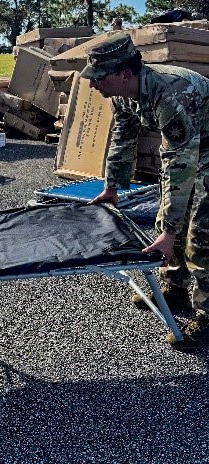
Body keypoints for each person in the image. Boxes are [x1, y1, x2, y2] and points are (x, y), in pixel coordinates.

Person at [82, 33, 209, 351]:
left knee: (202, 234)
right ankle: (174, 288)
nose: (92, 85)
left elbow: (180, 166)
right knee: (167, 217)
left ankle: (208, 318)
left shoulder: (171, 92)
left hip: (203, 149)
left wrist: (169, 230)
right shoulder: (122, 93)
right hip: (190, 148)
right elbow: (123, 137)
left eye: (98, 78)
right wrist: (112, 187)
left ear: (124, 73)